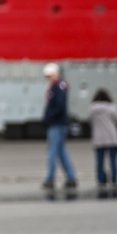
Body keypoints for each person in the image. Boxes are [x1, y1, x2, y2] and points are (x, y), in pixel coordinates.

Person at [41, 62, 78, 190]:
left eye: (50, 76)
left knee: (52, 152)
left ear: (55, 74)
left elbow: (59, 106)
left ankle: (50, 179)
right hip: (58, 123)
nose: (48, 79)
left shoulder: (58, 87)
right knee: (61, 152)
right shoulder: (57, 86)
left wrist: (49, 117)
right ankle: (71, 177)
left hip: (56, 123)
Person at [88, 88, 117, 192]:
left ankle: (101, 180)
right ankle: (114, 180)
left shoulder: (92, 109)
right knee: (113, 160)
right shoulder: (112, 107)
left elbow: (90, 121)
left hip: (98, 138)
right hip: (112, 137)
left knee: (100, 161)